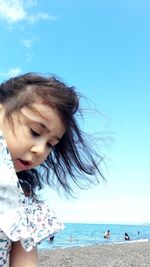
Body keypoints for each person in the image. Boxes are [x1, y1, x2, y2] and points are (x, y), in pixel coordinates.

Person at [0, 72, 104, 266]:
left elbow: (25, 262)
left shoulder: (22, 201)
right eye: (35, 132)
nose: (40, 150)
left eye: (50, 145)